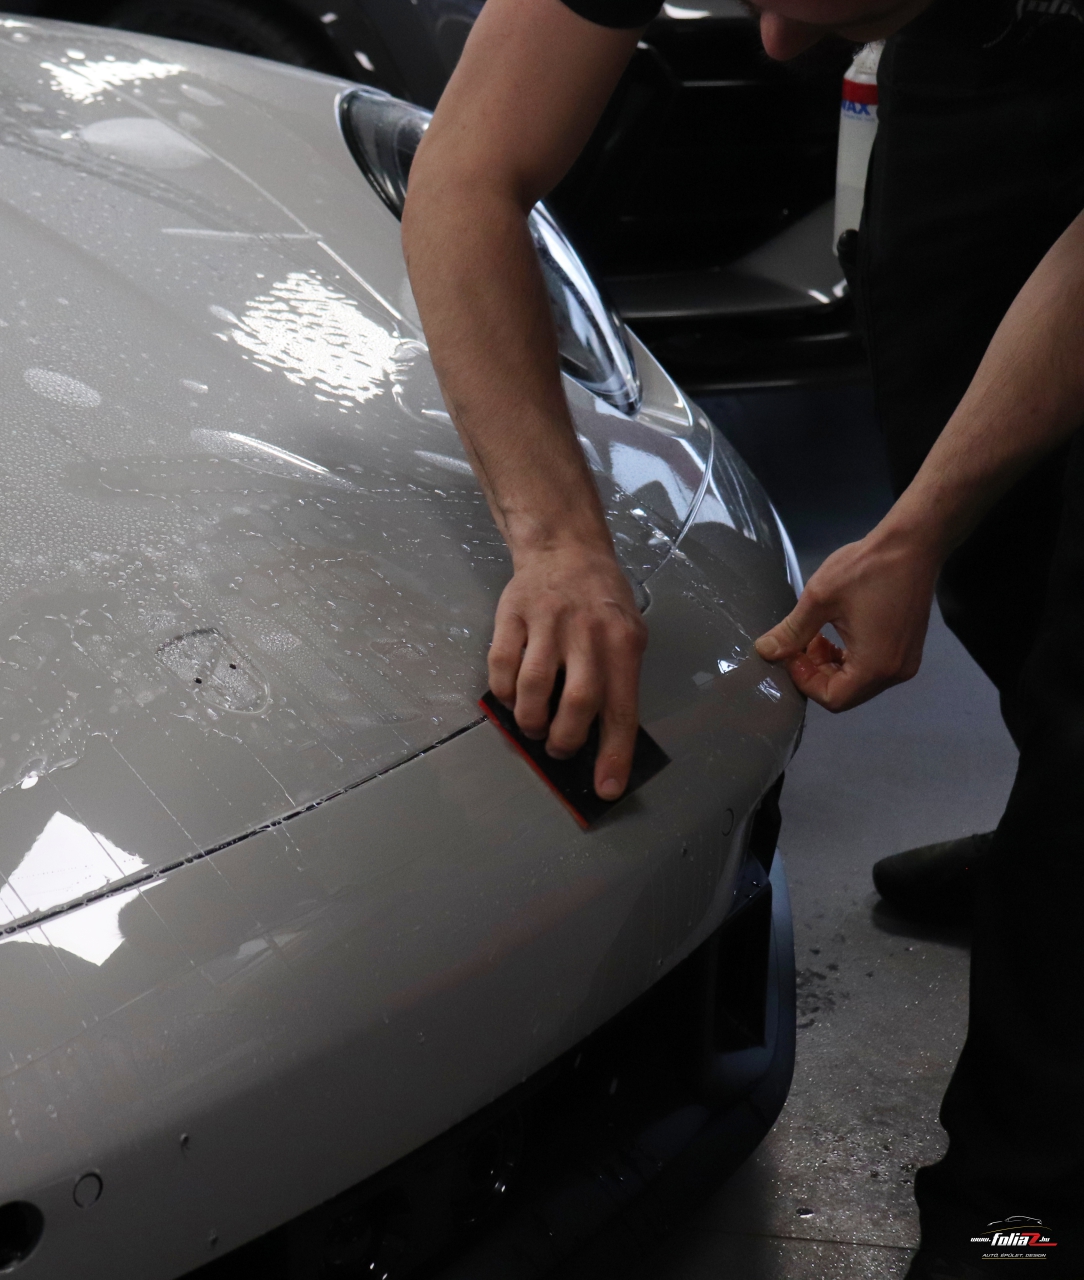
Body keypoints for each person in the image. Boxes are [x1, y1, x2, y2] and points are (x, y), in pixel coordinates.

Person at [399, 0, 1084, 1273]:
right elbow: (468, 170)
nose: (774, 42)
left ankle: (1024, 1213)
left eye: (811, 3)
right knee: (994, 527)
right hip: (985, 55)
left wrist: (917, 526)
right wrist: (559, 544)